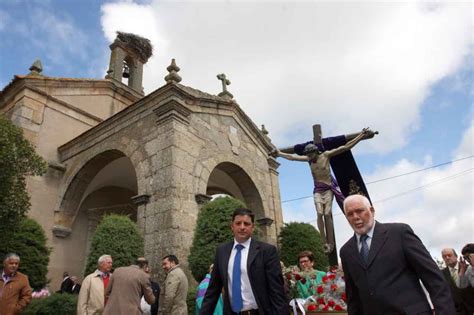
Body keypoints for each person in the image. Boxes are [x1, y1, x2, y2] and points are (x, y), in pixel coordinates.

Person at [339, 194, 455, 315]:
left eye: (360, 211)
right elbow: (353, 299)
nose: (355, 217)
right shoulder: (346, 251)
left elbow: (434, 280)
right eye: (350, 214)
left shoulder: (399, 233)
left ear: (372, 211)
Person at [273, 128, 371, 253]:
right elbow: (292, 157)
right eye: (307, 155)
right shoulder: (309, 160)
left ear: (315, 152)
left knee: (326, 214)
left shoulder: (325, 155)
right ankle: (323, 242)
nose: (309, 157)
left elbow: (345, 147)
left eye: (310, 154)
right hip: (318, 189)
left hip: (328, 188)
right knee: (319, 214)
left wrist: (361, 135)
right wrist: (278, 153)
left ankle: (331, 243)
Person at [200, 208, 289, 315]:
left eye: (246, 224)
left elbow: (277, 292)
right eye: (238, 223)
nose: (242, 227)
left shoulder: (267, 251)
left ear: (252, 227)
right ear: (232, 226)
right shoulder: (222, 251)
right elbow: (213, 290)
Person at [441, 248, 473, 314]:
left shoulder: (469, 268)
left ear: (456, 256)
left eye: (449, 255)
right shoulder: (441, 274)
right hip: (456, 311)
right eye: (444, 256)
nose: (447, 258)